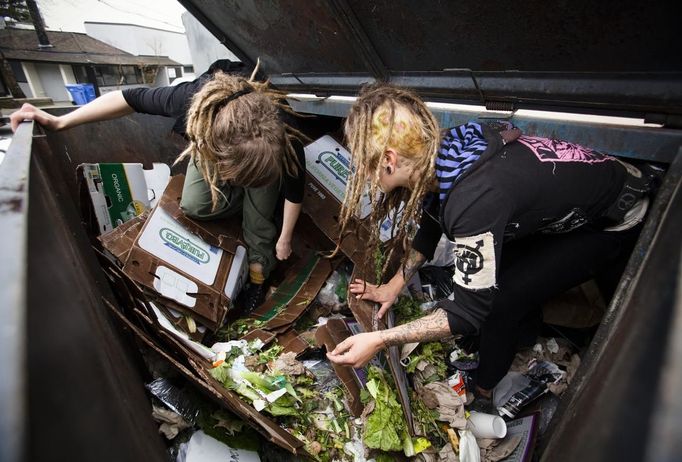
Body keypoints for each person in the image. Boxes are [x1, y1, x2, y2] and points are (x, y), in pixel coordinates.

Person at [327, 83, 649, 404]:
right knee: (501, 282)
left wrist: (381, 339)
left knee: (499, 302)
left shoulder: (473, 200)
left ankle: (484, 390)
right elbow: (434, 214)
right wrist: (396, 284)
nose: (366, 176)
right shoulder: (446, 152)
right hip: (596, 189)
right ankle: (522, 333)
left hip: (616, 217)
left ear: (389, 159)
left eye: (365, 165)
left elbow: (467, 314)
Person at [10, 60, 307, 311]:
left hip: (255, 159)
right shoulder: (191, 100)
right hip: (220, 146)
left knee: (259, 212)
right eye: (233, 176)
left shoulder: (279, 134)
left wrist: (284, 238)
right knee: (195, 205)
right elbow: (129, 97)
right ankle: (240, 187)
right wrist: (61, 122)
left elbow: (294, 188)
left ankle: (258, 271)